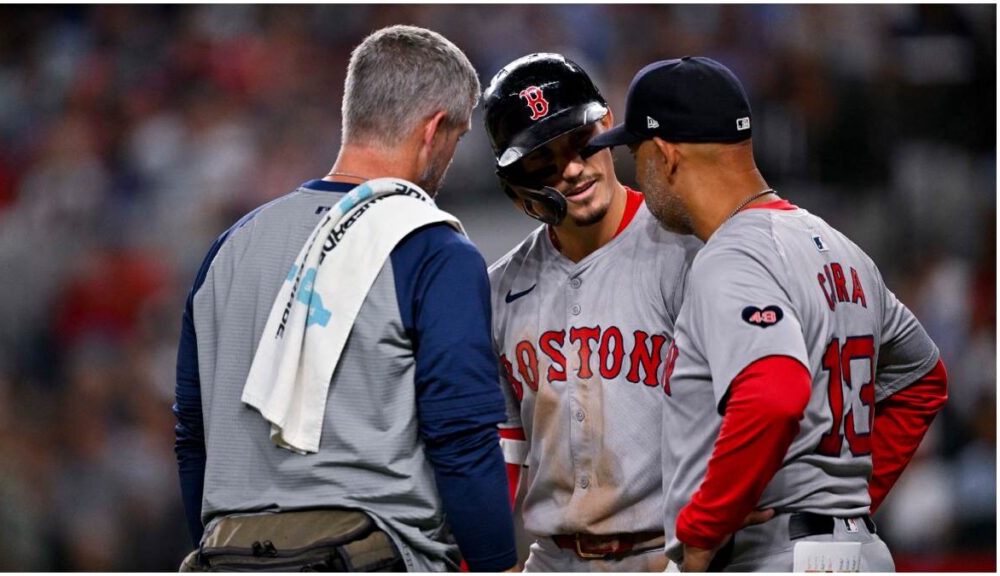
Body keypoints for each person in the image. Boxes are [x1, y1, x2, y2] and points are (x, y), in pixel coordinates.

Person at [173, 25, 517, 572]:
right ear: (434, 131)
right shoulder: (431, 247)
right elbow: (461, 438)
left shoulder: (229, 247)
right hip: (368, 554)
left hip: (227, 553)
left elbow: (193, 438)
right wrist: (498, 564)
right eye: (457, 136)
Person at [590, 56, 949, 572]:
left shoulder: (731, 257)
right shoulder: (841, 250)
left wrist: (701, 533)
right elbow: (923, 381)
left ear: (666, 155)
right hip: (859, 553)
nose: (636, 175)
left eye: (634, 152)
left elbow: (773, 394)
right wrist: (845, 503)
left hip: (773, 557)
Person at [481, 53, 700, 571]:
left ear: (607, 127)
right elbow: (505, 444)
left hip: (666, 553)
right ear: (518, 190)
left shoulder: (685, 252)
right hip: (552, 559)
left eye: (579, 144)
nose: (573, 170)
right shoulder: (499, 289)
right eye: (545, 163)